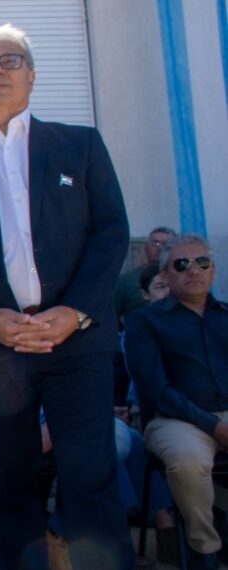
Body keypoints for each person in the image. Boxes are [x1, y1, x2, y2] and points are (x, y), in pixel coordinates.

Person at [0, 23, 135, 570]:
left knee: (91, 481)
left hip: (78, 345)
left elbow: (111, 232)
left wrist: (75, 311)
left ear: (31, 77)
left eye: (9, 61)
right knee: (11, 489)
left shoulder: (79, 146)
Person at [125, 235, 226, 570]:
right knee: (187, 460)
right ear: (165, 275)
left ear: (213, 271)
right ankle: (204, 550)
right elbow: (156, 390)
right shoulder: (146, 322)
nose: (193, 270)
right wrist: (214, 425)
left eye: (202, 263)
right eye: (181, 264)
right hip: (174, 421)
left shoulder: (225, 316)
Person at [114, 227, 178, 325]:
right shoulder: (126, 281)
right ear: (146, 248)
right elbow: (111, 315)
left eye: (165, 244)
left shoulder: (182, 277)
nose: (160, 248)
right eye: (155, 243)